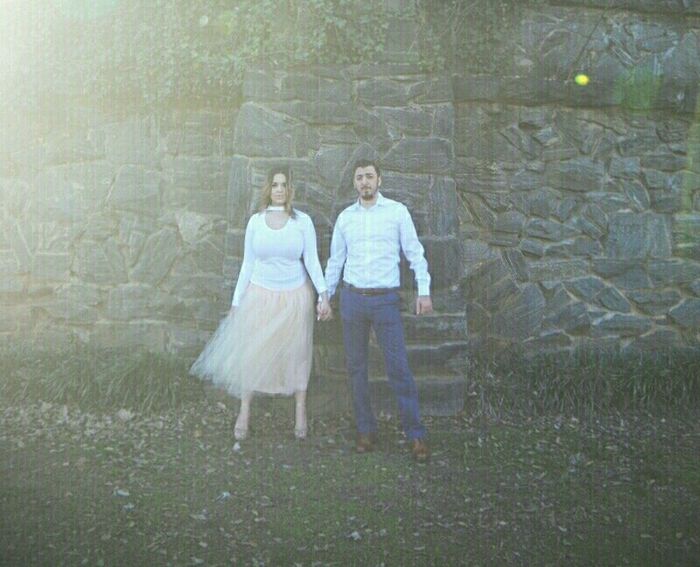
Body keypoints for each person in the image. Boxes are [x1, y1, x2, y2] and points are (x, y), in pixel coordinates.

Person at [191, 166, 331, 441]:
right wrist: (236, 301)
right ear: (268, 188)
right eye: (275, 184)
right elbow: (248, 263)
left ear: (290, 189)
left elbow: (312, 261)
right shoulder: (256, 221)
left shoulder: (302, 222)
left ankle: (300, 411)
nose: (279, 189)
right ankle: (244, 411)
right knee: (252, 352)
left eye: (284, 185)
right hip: (259, 295)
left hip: (295, 296)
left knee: (296, 354)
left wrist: (323, 294)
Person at [319, 159, 432, 463]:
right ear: (354, 183)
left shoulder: (396, 212)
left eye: (369, 176)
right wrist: (326, 297)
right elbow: (336, 261)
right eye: (359, 177)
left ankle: (415, 434)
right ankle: (365, 430)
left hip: (386, 301)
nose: (365, 182)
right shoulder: (346, 218)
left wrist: (423, 290)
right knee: (356, 368)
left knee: (398, 367)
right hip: (353, 299)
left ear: (379, 180)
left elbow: (415, 253)